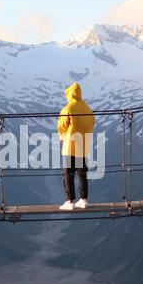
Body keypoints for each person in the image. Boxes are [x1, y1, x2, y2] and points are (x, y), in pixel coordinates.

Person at [57, 82, 95, 210]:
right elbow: (92, 123)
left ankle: (70, 201)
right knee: (82, 173)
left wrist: (63, 137)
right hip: (83, 145)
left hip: (70, 145)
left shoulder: (68, 108)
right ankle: (83, 199)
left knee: (68, 174)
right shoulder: (87, 109)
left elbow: (61, 126)